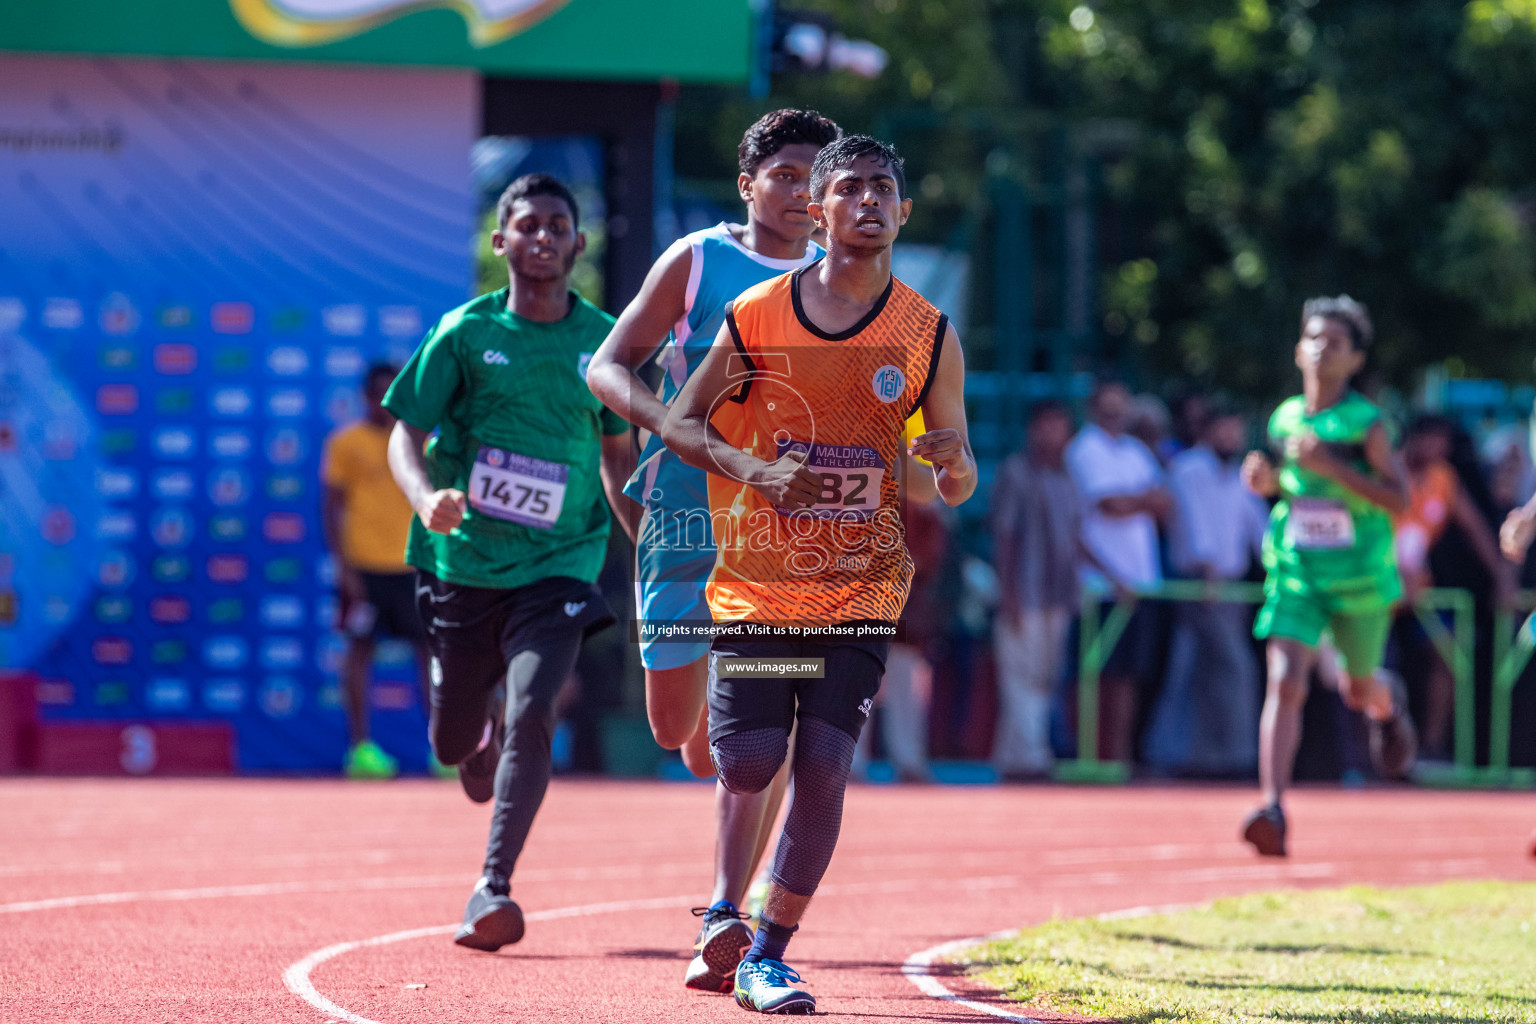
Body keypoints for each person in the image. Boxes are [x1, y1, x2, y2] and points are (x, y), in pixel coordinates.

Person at [662, 135, 974, 1014]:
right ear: (817, 210)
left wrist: (952, 466)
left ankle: (767, 950)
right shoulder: (758, 312)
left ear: (902, 212)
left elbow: (954, 474)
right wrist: (758, 472)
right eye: (851, 189)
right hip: (761, 583)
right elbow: (683, 425)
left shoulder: (928, 333)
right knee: (753, 754)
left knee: (828, 763)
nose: (869, 202)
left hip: (865, 586)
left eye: (885, 188)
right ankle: (721, 908)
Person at [586, 109, 840, 991]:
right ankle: (731, 786)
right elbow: (608, 366)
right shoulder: (697, 261)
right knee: (681, 736)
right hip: (686, 517)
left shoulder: (839, 279)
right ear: (748, 185)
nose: (804, 191)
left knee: (757, 742)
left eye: (820, 175)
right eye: (786, 173)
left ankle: (728, 917)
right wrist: (670, 428)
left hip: (785, 530)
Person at [382, 173, 634, 951]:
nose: (544, 237)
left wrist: (645, 538)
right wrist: (427, 500)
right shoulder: (463, 332)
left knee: (535, 707)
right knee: (453, 745)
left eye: (559, 224)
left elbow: (618, 453)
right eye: (527, 225)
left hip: (562, 560)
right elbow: (404, 434)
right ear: (501, 242)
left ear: (578, 244)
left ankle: (493, 886)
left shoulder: (604, 341)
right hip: (463, 562)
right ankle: (473, 736)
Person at [1239, 295, 1417, 857]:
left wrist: (1333, 467)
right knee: (1285, 678)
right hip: (1299, 573)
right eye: (1313, 339)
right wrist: (1270, 483)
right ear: (1298, 350)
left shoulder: (1367, 424)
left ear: (1354, 360)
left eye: (1335, 343)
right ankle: (1272, 807)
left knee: (1356, 688)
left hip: (1360, 579)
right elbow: (1296, 488)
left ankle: (1388, 703)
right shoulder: (1285, 418)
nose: (1321, 349)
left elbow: (1400, 498)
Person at [320, 363, 433, 779]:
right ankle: (360, 750)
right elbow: (329, 509)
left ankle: (443, 748)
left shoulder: (418, 440)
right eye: (378, 395)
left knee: (431, 656)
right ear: (365, 397)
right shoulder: (345, 443)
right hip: (364, 570)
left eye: (393, 395)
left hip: (414, 566)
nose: (386, 404)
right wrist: (344, 568)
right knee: (358, 654)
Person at [989, 399, 1111, 778]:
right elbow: (1004, 536)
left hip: (1058, 594)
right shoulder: (1015, 472)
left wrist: (1112, 574)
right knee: (1020, 677)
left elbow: (1075, 538)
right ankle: (1032, 757)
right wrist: (1007, 594)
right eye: (1047, 426)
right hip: (1023, 593)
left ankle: (1013, 757)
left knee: (1044, 678)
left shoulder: (1068, 478)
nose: (1054, 435)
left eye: (1061, 427)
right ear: (1032, 429)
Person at [1145, 405, 1267, 776]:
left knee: (1194, 669)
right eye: (1224, 431)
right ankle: (1237, 759)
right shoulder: (1189, 468)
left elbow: (1260, 530)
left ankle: (1192, 757)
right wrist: (1208, 568)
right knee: (1235, 669)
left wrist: (1283, 568)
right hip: (1200, 584)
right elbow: (1194, 522)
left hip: (1231, 590)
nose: (1231, 439)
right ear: (1208, 431)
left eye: (1236, 431)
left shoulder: (1240, 475)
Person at [1395, 416, 1515, 759]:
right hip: (1375, 585)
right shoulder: (1387, 470)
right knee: (1367, 670)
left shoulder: (1442, 479)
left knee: (1449, 652)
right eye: (1432, 440)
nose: (1439, 449)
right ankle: (1369, 759)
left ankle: (1430, 748)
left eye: (1443, 441)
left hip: (1420, 590)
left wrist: (1501, 576)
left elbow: (1475, 529)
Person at [1066, 380, 1172, 763]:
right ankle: (1088, 756)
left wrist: (1133, 501)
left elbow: (1164, 506)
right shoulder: (1084, 448)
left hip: (1140, 584)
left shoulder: (1136, 452)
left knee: (1129, 676)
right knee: (1093, 675)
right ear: (1094, 408)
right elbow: (1110, 505)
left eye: (1121, 406)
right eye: (1108, 406)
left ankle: (1120, 758)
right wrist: (1141, 499)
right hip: (1098, 586)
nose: (1116, 413)